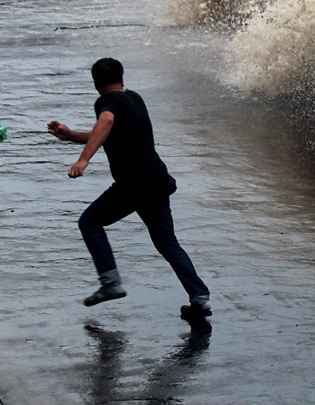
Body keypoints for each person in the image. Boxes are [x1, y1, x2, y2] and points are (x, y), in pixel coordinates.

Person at [48, 57, 211, 320]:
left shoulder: (105, 103)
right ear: (122, 79)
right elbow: (106, 130)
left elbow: (106, 122)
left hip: (134, 185)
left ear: (95, 84)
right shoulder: (135, 98)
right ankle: (200, 298)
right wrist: (71, 136)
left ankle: (111, 282)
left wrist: (83, 159)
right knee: (168, 243)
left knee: (89, 223)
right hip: (156, 181)